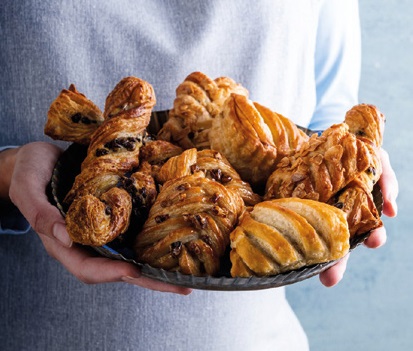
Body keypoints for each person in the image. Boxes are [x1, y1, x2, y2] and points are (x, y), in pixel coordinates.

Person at [0, 1, 398, 350]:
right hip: (41, 325)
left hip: (251, 337)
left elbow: (331, 116)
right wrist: (8, 170)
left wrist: (361, 170)